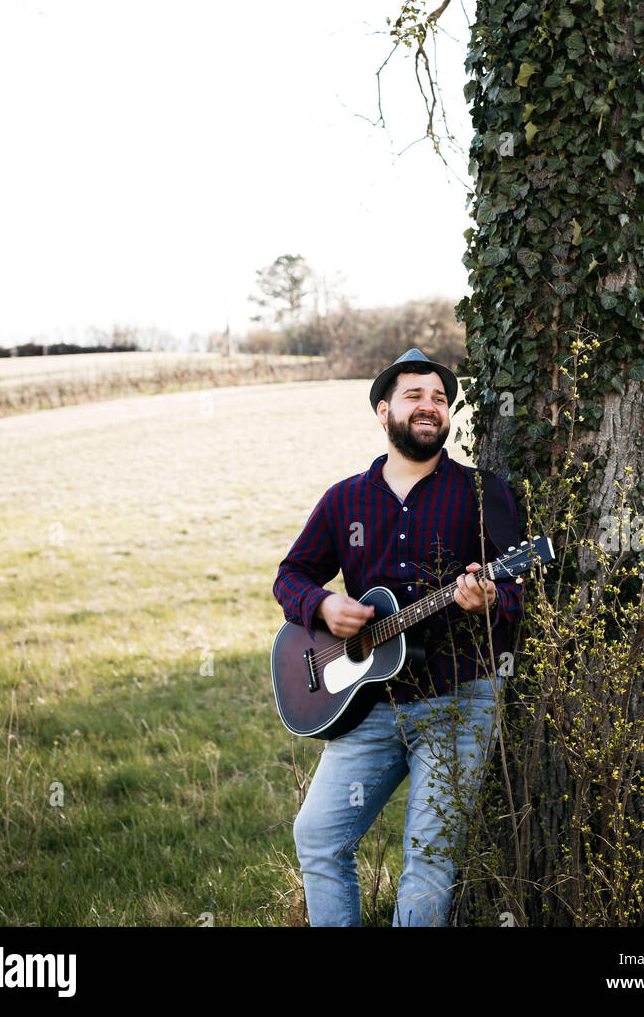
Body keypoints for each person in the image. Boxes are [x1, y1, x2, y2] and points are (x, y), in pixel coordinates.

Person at [272, 347, 523, 927]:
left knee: (428, 862)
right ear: (383, 411)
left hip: (457, 701)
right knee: (318, 837)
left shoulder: (484, 493)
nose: (429, 406)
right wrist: (324, 604)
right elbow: (291, 577)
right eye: (414, 395)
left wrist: (489, 598)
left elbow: (518, 594)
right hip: (370, 706)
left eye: (440, 398)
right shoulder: (345, 500)